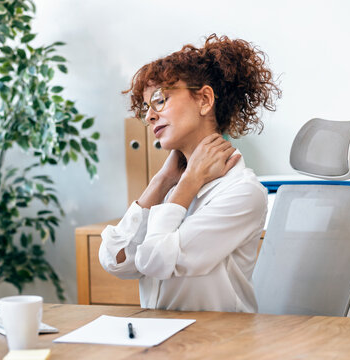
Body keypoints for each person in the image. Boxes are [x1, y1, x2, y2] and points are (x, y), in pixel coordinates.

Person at [99, 34, 281, 312]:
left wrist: (188, 183)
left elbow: (153, 261)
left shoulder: (242, 192)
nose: (149, 116)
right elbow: (115, 260)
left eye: (160, 100)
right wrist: (161, 182)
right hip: (163, 344)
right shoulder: (171, 187)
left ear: (205, 99)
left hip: (219, 346)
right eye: (147, 108)